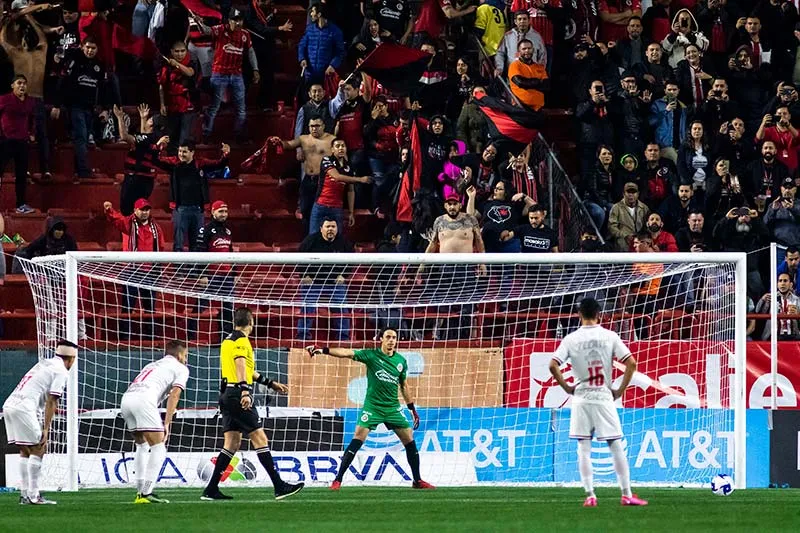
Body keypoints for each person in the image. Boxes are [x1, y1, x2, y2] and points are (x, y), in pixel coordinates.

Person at [306, 328, 435, 490]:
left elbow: (404, 385)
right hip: (372, 407)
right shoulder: (371, 356)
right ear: (380, 339)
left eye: (394, 337)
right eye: (388, 337)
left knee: (409, 440)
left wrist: (412, 409)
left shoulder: (401, 361)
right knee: (358, 438)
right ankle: (337, 480)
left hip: (392, 408)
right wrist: (323, 350)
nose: (391, 340)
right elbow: (346, 353)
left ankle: (417, 481)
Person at [548, 298, 646, 507]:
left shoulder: (571, 339)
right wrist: (619, 390)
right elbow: (631, 363)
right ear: (599, 314)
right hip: (603, 396)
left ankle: (590, 495)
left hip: (581, 397)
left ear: (579, 314)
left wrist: (566, 387)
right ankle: (626, 494)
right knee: (615, 445)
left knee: (583, 448)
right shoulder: (609, 336)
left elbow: (553, 365)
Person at [202, 307, 303, 500]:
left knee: (232, 442)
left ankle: (211, 489)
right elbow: (240, 364)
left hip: (226, 394)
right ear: (251, 322)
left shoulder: (227, 340)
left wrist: (270, 383)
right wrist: (245, 391)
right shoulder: (241, 340)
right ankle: (279, 486)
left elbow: (248, 370)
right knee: (260, 438)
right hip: (237, 393)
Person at [3, 340, 79, 505]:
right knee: (39, 447)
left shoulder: (45, 363)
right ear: (72, 358)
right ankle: (34, 495)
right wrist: (46, 428)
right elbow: (52, 401)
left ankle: (25, 495)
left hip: (10, 405)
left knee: (25, 450)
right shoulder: (61, 371)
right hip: (24, 408)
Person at [120, 340, 189, 504]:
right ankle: (146, 493)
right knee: (159, 447)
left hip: (127, 400)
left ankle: (140, 492)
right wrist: (167, 422)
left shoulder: (151, 365)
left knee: (142, 445)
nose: (186, 359)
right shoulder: (181, 368)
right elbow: (174, 395)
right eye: (185, 355)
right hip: (144, 401)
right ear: (179, 354)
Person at [192, 8, 259, 143]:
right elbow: (207, 31)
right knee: (215, 106)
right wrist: (199, 22)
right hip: (219, 73)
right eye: (235, 20)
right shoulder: (220, 30)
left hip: (236, 74)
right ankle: (206, 134)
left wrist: (255, 69)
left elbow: (251, 52)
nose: (238, 23)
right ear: (229, 21)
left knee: (241, 109)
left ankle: (239, 135)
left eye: (240, 20)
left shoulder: (245, 34)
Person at [158, 141, 231, 251]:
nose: (181, 154)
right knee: (179, 244)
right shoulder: (174, 163)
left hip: (198, 210)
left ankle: (194, 268)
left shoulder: (200, 164)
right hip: (180, 209)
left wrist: (225, 155)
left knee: (197, 244)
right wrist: (159, 146)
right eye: (180, 151)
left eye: (184, 152)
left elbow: (218, 164)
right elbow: (158, 161)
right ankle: (179, 268)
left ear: (192, 153)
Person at [53, 37, 108, 181]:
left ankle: (80, 169)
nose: (90, 51)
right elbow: (62, 81)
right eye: (88, 47)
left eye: (93, 48)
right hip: (75, 107)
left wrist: (104, 108)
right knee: (81, 137)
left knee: (86, 138)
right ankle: (83, 171)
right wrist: (57, 105)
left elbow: (102, 89)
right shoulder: (74, 61)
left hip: (90, 109)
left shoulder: (99, 66)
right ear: (82, 47)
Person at [269, 116, 335, 233]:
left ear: (323, 126)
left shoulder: (331, 140)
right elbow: (288, 144)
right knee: (305, 210)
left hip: (325, 181)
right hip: (308, 179)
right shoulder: (303, 139)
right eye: (312, 126)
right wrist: (279, 142)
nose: (314, 129)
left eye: (317, 126)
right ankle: (308, 238)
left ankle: (321, 239)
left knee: (322, 212)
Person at [297, 217, 355, 340]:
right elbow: (299, 259)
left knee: (342, 309)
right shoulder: (310, 241)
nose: (330, 229)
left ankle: (343, 337)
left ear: (337, 229)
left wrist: (344, 276)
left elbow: (352, 261)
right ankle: (302, 336)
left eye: (333, 227)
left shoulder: (344, 242)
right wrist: (304, 275)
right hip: (313, 282)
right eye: (327, 227)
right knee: (307, 307)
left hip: (335, 283)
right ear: (321, 229)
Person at [112, 104, 170, 216]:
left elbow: (124, 136)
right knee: (138, 212)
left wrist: (119, 117)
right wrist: (143, 118)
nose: (148, 120)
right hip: (146, 181)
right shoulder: (160, 139)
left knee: (129, 212)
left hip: (135, 180)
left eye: (150, 120)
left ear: (153, 126)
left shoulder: (149, 141)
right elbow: (145, 137)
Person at [308, 138, 372, 234]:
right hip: (321, 205)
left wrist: (351, 212)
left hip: (337, 208)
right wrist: (360, 179)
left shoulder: (349, 167)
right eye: (337, 146)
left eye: (343, 146)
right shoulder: (326, 160)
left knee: (336, 239)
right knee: (314, 237)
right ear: (332, 149)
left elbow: (350, 190)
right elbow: (337, 177)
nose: (341, 148)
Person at [0, 74, 36, 213]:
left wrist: (31, 133)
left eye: (24, 84)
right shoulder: (4, 99)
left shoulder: (30, 102)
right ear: (12, 86)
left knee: (21, 175)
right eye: (19, 83)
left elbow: (32, 118)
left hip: (22, 142)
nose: (22, 86)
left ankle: (21, 204)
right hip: (6, 141)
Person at [157, 41, 200, 152]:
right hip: (172, 106)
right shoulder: (165, 64)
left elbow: (190, 73)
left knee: (184, 139)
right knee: (171, 139)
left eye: (182, 51)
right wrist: (162, 104)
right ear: (172, 51)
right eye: (177, 51)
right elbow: (162, 85)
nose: (180, 54)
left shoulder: (192, 61)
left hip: (188, 105)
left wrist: (176, 64)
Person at [754, 273, 800, 341]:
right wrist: (762, 300)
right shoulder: (770, 298)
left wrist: (798, 315)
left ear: (791, 284)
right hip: (773, 336)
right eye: (780, 281)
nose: (782, 283)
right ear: (777, 284)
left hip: (793, 336)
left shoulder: (797, 300)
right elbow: (758, 313)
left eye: (785, 281)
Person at [508, 39, 549, 111]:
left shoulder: (539, 67)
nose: (527, 51)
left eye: (529, 48)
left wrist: (529, 83)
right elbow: (520, 83)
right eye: (524, 49)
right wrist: (538, 81)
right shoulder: (515, 65)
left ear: (533, 50)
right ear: (519, 52)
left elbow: (547, 85)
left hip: (539, 108)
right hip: (521, 107)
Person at [608, 182, 650, 252]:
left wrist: (641, 238)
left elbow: (647, 227)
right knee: (621, 242)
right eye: (628, 192)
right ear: (623, 194)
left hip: (640, 239)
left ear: (638, 194)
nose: (631, 195)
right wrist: (625, 235)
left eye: (633, 192)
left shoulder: (644, 208)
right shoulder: (616, 207)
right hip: (623, 239)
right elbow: (611, 227)